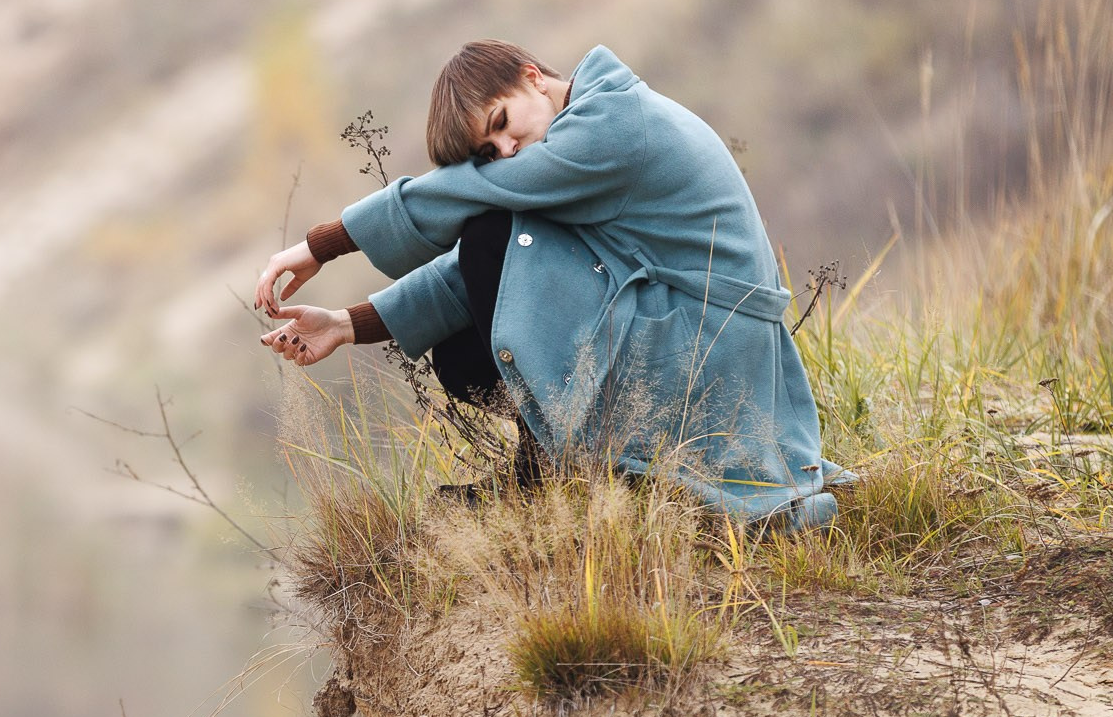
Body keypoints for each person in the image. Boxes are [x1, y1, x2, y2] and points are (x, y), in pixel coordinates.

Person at [253, 40, 845, 528]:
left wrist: (322, 244)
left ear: (532, 78)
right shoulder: (584, 133)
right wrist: (346, 324)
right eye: (490, 151)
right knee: (461, 347)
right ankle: (551, 467)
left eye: (501, 124)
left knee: (489, 232)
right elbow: (491, 263)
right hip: (698, 336)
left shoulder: (612, 124)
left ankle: (547, 473)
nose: (507, 151)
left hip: (710, 345)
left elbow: (475, 208)